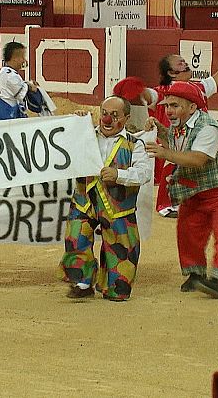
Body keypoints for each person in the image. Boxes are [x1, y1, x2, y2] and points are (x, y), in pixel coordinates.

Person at [144, 81, 218, 299]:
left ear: (192, 107)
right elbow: (175, 144)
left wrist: (164, 154)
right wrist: (159, 129)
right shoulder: (179, 125)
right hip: (195, 193)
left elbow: (198, 159)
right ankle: (195, 275)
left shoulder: (208, 128)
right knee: (187, 231)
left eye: (174, 106)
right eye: (167, 106)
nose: (169, 111)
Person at [59, 96, 151, 302]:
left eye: (115, 115)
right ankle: (82, 283)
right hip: (85, 200)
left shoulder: (135, 144)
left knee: (121, 246)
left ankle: (115, 287)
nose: (107, 120)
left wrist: (119, 175)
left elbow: (144, 173)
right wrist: (76, 125)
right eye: (105, 113)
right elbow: (63, 148)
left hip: (119, 206)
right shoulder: (87, 135)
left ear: (126, 118)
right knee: (76, 236)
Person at [149, 54, 218, 217]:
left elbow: (212, 82)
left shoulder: (196, 87)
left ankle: (186, 201)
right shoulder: (163, 90)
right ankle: (167, 205)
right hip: (173, 137)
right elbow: (150, 96)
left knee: (191, 167)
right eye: (180, 63)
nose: (185, 64)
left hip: (192, 136)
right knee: (172, 166)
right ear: (171, 73)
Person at [0, 41, 38, 120]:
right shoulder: (9, 75)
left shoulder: (7, 72)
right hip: (7, 114)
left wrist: (28, 84)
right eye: (22, 57)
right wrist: (31, 87)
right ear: (15, 59)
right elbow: (19, 92)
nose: (24, 60)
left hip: (6, 111)